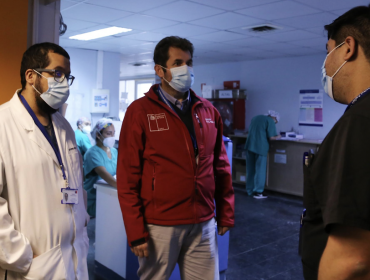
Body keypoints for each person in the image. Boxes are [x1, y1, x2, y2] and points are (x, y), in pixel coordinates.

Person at [117, 36, 235, 280]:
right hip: (160, 224)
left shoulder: (208, 111)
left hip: (203, 221)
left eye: (189, 63)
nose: (186, 69)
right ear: (160, 70)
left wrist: (225, 211)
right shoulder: (140, 112)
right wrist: (135, 231)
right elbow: (128, 177)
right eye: (178, 62)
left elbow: (220, 167)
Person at [0, 42, 89, 279]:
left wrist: (82, 227)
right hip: (33, 265)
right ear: (31, 76)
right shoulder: (3, 124)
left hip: (75, 257)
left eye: (67, 76)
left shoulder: (64, 127)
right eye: (57, 73)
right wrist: (21, 255)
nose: (64, 83)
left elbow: (75, 185)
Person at [301, 5, 370, 280]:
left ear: (347, 48)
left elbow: (351, 259)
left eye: (328, 51)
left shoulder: (360, 121)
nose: (326, 64)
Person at [83, 118, 117, 217]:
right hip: (95, 201)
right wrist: (126, 190)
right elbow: (104, 174)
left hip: (111, 194)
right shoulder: (92, 153)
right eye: (108, 133)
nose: (112, 137)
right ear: (98, 135)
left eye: (113, 133)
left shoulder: (114, 151)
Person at [245, 111, 281, 199]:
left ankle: (250, 190)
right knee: (260, 170)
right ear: (275, 118)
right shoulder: (270, 121)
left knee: (250, 170)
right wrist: (279, 136)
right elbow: (272, 137)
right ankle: (258, 192)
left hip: (249, 146)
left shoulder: (255, 117)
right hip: (260, 147)